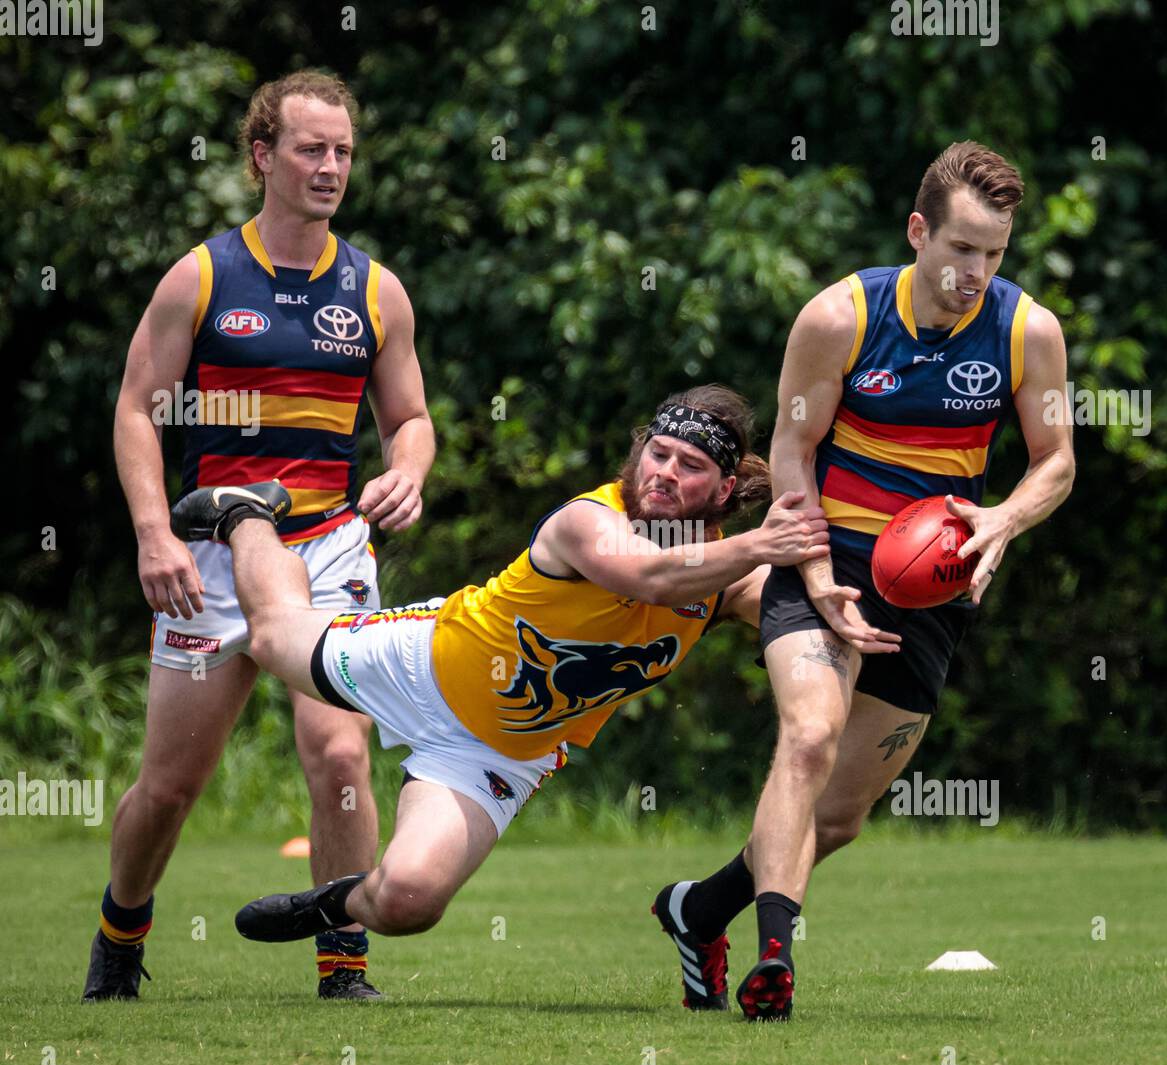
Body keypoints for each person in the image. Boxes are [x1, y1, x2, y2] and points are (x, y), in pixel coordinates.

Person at [167, 387, 827, 960]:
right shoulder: (587, 519)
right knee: (274, 633)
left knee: (407, 902)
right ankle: (247, 513)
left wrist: (858, 606)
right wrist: (761, 543)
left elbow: (802, 607)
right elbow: (648, 574)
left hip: (501, 753)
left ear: (723, 490)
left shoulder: (725, 573)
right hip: (423, 664)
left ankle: (330, 903)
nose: (665, 473)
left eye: (691, 467)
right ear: (637, 453)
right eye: (658, 453)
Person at [654, 141, 1075, 1020]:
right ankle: (775, 959)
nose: (976, 272)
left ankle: (699, 909)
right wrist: (811, 569)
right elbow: (792, 450)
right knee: (808, 737)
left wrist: (1001, 518)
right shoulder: (838, 317)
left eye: (994, 254)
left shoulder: (1026, 331)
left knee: (837, 817)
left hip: (931, 581)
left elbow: (1057, 461)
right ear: (919, 231)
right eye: (961, 248)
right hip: (828, 553)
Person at [86, 70, 434, 1002]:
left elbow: (411, 417)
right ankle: (121, 929)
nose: (330, 167)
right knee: (169, 786)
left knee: (341, 755)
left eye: (344, 152)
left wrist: (408, 467)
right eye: (311, 149)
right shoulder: (201, 276)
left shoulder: (375, 289)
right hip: (209, 553)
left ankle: (344, 965)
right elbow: (134, 410)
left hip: (325, 549)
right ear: (261, 157)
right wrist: (154, 533)